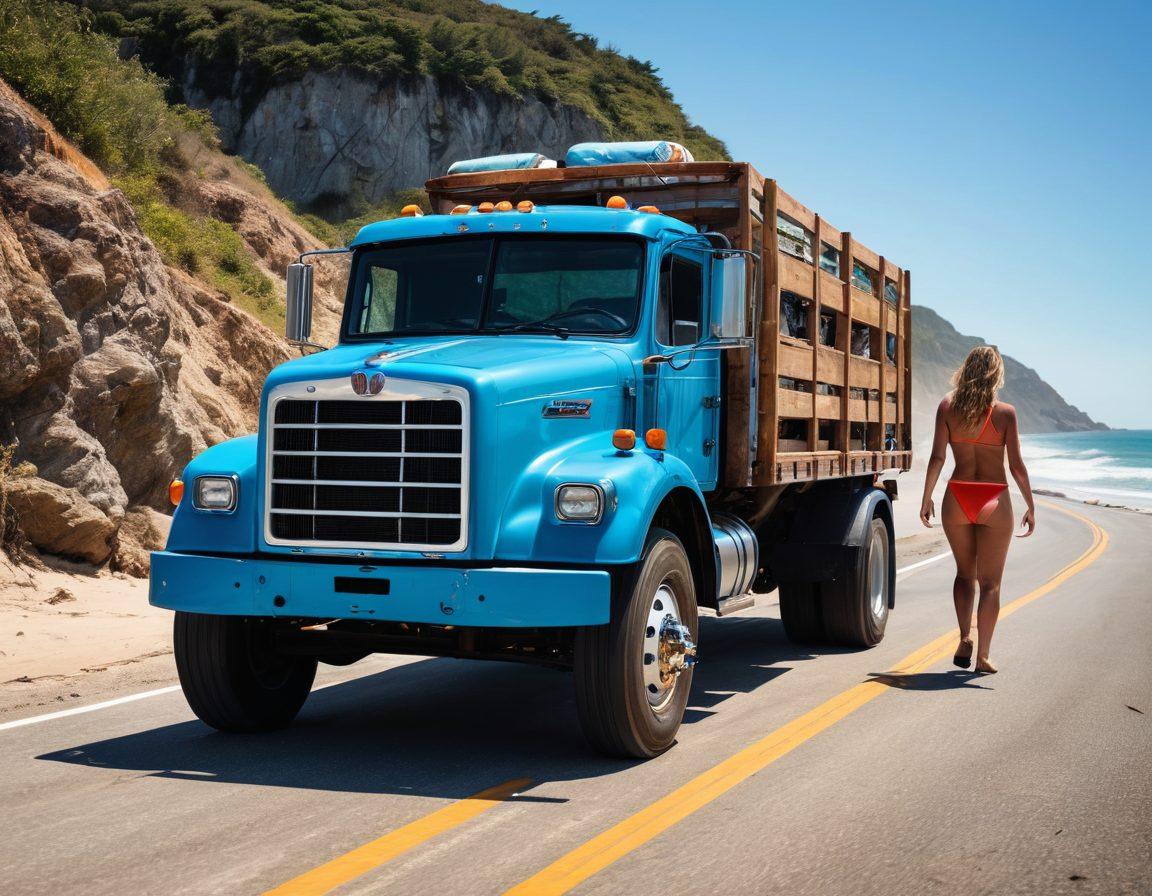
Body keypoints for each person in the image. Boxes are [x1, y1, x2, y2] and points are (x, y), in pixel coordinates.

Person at [919, 345, 1035, 674]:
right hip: (994, 498)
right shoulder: (1006, 413)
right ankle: (983, 657)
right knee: (991, 584)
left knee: (963, 575)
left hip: (957, 497)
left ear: (966, 370)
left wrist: (926, 497)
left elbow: (938, 457)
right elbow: (1016, 466)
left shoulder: (947, 407)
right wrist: (1030, 504)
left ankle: (964, 637)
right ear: (996, 374)